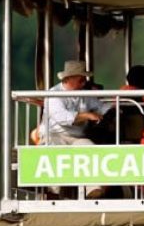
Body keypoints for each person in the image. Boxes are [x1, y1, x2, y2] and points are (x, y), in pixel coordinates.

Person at [39, 60, 108, 198]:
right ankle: (53, 192)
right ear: (68, 78)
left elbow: (101, 106)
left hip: (77, 138)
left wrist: (112, 110)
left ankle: (93, 191)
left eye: (84, 78)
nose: (84, 81)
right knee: (54, 150)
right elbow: (62, 118)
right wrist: (88, 115)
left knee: (91, 148)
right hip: (54, 135)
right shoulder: (53, 94)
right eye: (81, 78)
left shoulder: (84, 94)